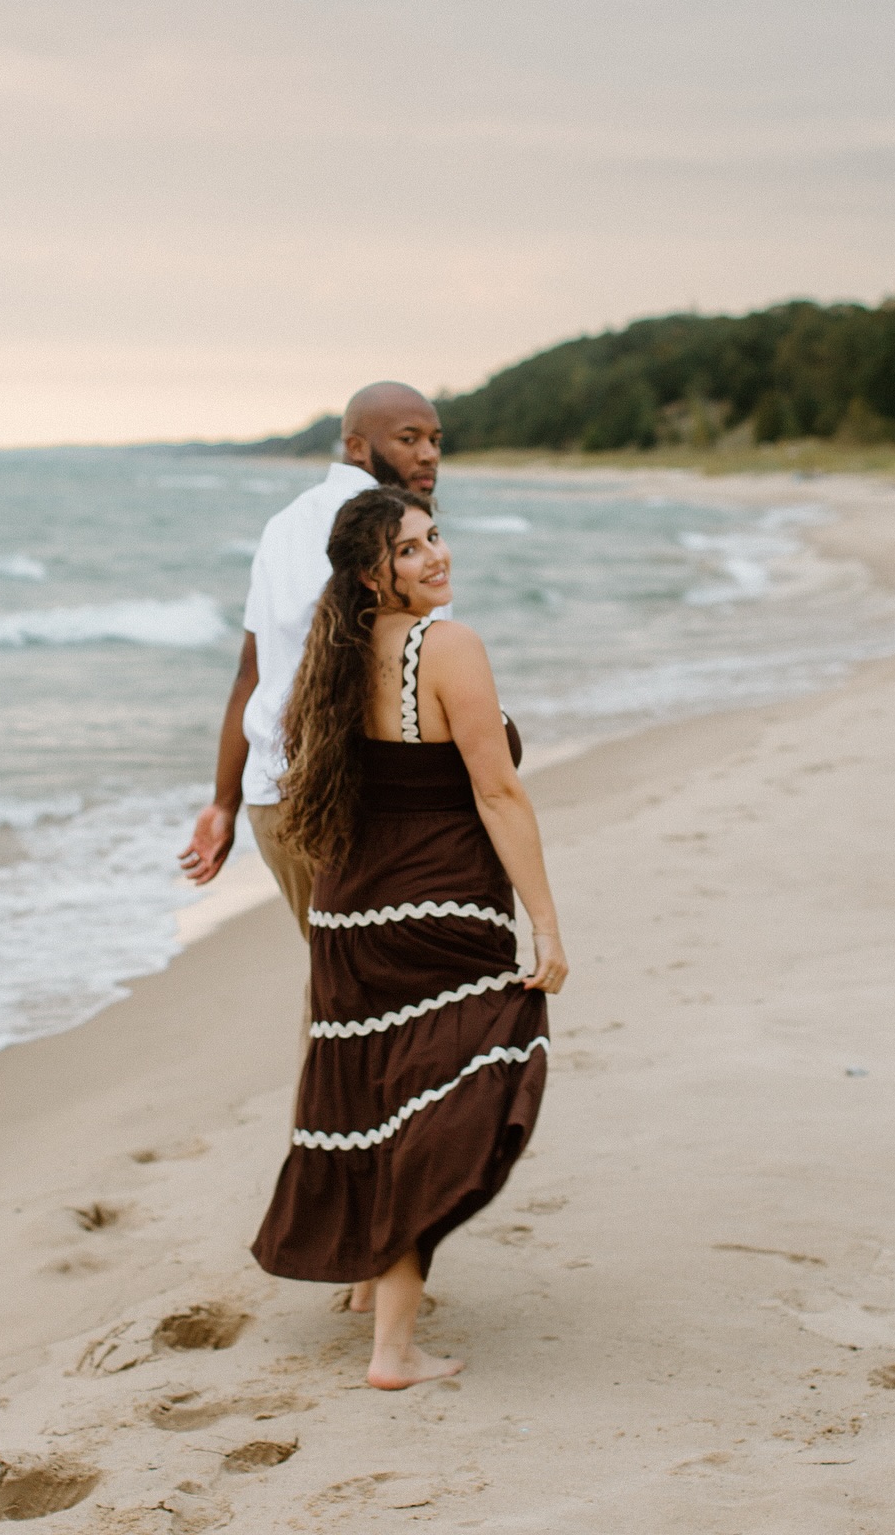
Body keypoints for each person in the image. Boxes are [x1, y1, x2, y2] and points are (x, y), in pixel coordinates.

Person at [251, 488, 568, 1390]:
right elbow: (497, 793)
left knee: (370, 1096)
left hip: (350, 914)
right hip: (437, 911)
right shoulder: (450, 647)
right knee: (442, 1107)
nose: (438, 557)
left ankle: (364, 1289)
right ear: (370, 573)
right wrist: (544, 922)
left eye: (436, 538)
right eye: (412, 549)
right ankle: (393, 1350)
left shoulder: (336, 657)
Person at [178, 383, 446, 935]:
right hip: (350, 798)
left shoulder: (283, 524)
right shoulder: (397, 533)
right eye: (408, 438)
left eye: (436, 440)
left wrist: (223, 803)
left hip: (271, 802)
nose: (428, 454)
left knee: (343, 976)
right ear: (356, 446)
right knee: (360, 986)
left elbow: (251, 673)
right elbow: (413, 669)